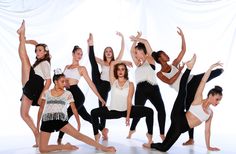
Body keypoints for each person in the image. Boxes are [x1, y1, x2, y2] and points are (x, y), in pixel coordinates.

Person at [151, 27, 223, 145]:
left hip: (193, 80)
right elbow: (170, 81)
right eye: (164, 55)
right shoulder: (159, 74)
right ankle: (191, 139)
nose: (167, 55)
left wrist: (182, 36)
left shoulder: (174, 63)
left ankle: (218, 73)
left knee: (216, 72)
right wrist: (180, 71)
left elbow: (183, 50)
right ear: (160, 59)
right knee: (190, 113)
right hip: (185, 91)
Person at [144, 54, 223, 152]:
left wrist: (208, 147)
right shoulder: (198, 99)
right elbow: (203, 81)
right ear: (210, 95)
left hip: (180, 127)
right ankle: (189, 68)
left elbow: (207, 131)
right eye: (217, 99)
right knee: (183, 92)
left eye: (219, 100)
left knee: (164, 148)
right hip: (178, 115)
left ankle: (150, 145)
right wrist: (211, 67)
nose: (218, 102)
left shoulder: (210, 114)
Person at [37, 69, 116, 153]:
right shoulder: (46, 93)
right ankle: (65, 147)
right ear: (56, 82)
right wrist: (37, 125)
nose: (65, 84)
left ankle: (104, 148)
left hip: (60, 120)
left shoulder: (67, 94)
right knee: (42, 149)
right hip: (46, 120)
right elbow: (41, 109)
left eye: (65, 81)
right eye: (62, 81)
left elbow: (74, 109)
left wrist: (78, 122)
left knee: (79, 136)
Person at [91, 61, 154, 146]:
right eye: (118, 69)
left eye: (123, 69)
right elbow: (112, 63)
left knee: (150, 111)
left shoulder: (130, 84)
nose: (120, 71)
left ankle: (149, 137)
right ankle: (97, 135)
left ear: (125, 71)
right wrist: (124, 62)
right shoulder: (113, 81)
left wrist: (127, 117)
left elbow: (129, 99)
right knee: (93, 112)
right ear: (116, 71)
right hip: (113, 111)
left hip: (127, 110)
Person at [57, 45, 107, 145]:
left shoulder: (81, 68)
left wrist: (100, 98)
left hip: (78, 96)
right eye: (78, 53)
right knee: (86, 116)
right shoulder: (66, 67)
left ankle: (59, 139)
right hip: (68, 95)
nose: (80, 56)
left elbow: (91, 84)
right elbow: (61, 82)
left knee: (65, 115)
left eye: (81, 54)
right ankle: (103, 129)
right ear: (73, 54)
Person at [17, 20, 51, 147]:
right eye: (36, 51)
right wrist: (26, 42)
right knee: (24, 114)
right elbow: (36, 43)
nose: (37, 52)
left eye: (40, 51)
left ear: (45, 52)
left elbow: (48, 81)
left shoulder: (46, 63)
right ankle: (36, 134)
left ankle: (22, 33)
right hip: (30, 84)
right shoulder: (40, 60)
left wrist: (42, 96)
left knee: (24, 58)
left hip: (35, 83)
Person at [127, 32, 166, 141]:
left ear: (142, 51)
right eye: (135, 53)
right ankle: (132, 130)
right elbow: (130, 51)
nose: (135, 54)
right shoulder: (138, 64)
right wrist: (135, 40)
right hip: (140, 91)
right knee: (137, 113)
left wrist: (137, 38)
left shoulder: (150, 59)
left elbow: (147, 42)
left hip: (153, 89)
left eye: (136, 52)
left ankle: (162, 134)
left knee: (161, 110)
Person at [87, 32, 124, 140]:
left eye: (110, 51)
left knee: (101, 107)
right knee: (93, 64)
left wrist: (122, 38)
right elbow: (91, 57)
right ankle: (91, 43)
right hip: (98, 81)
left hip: (106, 85)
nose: (108, 53)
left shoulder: (115, 62)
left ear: (112, 53)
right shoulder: (102, 62)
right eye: (106, 51)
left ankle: (103, 129)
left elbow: (122, 50)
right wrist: (89, 45)